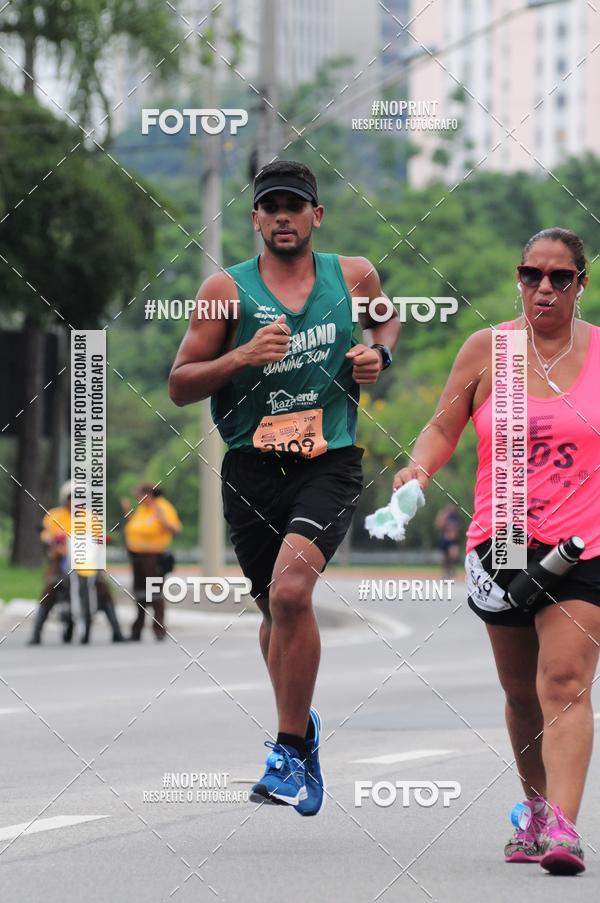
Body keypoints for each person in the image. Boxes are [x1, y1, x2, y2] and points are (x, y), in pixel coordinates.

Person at [169, 160, 400, 815]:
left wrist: (378, 354)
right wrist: (240, 356)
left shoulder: (352, 275)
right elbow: (180, 383)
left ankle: (289, 748)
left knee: (294, 592)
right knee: (276, 614)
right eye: (270, 206)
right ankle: (304, 737)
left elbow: (385, 321)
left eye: (294, 205)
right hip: (250, 469)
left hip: (327, 461)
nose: (282, 216)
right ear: (255, 219)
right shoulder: (227, 290)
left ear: (316, 216)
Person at [393, 227, 599, 875]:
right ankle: (535, 809)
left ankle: (563, 828)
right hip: (502, 540)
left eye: (559, 276)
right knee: (520, 693)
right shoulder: (490, 351)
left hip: (585, 541)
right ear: (519, 278)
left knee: (563, 679)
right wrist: (417, 471)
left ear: (581, 284)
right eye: (531, 273)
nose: (543, 286)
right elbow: (442, 425)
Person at [28, 481, 125, 644]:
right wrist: (53, 543)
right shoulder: (54, 515)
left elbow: (99, 536)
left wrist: (103, 540)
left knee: (103, 588)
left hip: (87, 561)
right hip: (61, 561)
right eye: (71, 498)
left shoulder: (91, 516)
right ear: (64, 499)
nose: (74, 502)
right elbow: (46, 536)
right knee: (50, 587)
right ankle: (36, 634)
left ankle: (117, 631)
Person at [121, 482, 182, 641]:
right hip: (138, 556)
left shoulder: (162, 507)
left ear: (148, 495)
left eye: (139, 496)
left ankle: (159, 628)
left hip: (154, 557)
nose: (137, 498)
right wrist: (127, 512)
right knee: (140, 593)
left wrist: (162, 519)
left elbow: (175, 530)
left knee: (154, 593)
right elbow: (136, 528)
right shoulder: (142, 509)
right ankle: (137, 630)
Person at [435, 503, 461, 579]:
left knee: (454, 555)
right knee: (445, 557)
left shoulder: (456, 516)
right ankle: (446, 571)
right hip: (445, 539)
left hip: (453, 540)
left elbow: (458, 527)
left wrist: (455, 533)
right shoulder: (444, 515)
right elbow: (439, 525)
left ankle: (452, 569)